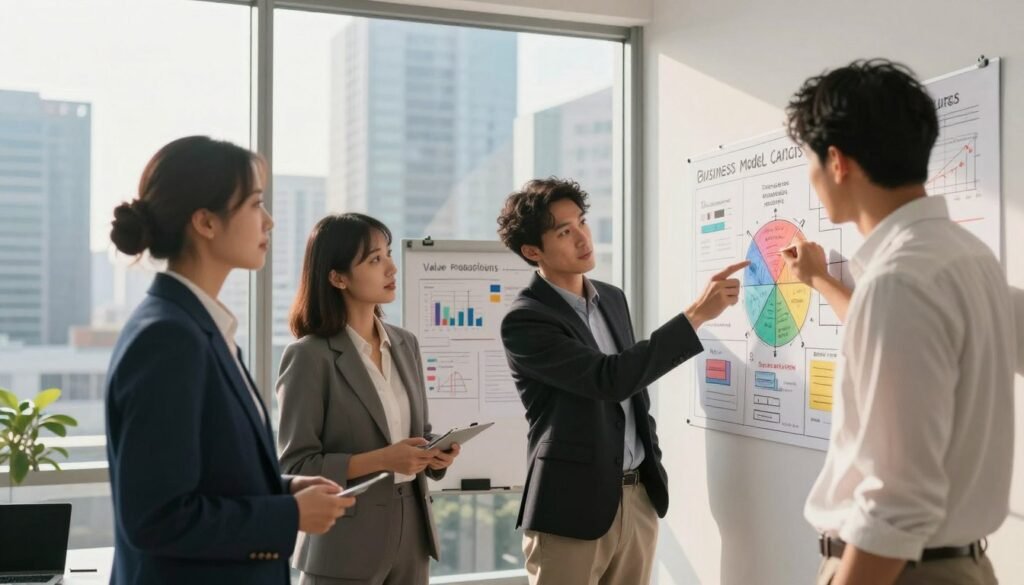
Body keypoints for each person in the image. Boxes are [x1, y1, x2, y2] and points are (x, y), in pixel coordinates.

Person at [781, 60, 1016, 585]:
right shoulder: (966, 258)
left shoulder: (900, 282)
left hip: (897, 573)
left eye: (809, 161)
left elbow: (897, 500)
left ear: (837, 161)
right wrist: (822, 282)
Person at [105, 136, 352, 585]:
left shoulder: (200, 327)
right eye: (256, 204)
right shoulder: (169, 338)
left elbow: (209, 480)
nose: (270, 221)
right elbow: (157, 518)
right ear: (206, 222)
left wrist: (284, 491)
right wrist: (288, 514)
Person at [496, 178, 746, 585]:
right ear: (532, 251)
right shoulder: (525, 320)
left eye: (582, 222)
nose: (582, 237)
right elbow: (610, 379)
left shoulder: (611, 298)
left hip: (637, 497)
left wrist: (648, 477)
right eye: (564, 231)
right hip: (571, 509)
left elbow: (634, 395)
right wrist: (695, 315)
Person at [277, 213, 458, 585]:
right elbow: (296, 464)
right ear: (337, 277)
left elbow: (416, 432)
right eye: (375, 259)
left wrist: (435, 454)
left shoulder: (405, 343)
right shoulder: (309, 356)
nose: (391, 267)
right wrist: (383, 460)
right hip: (343, 544)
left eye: (388, 254)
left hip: (412, 537)